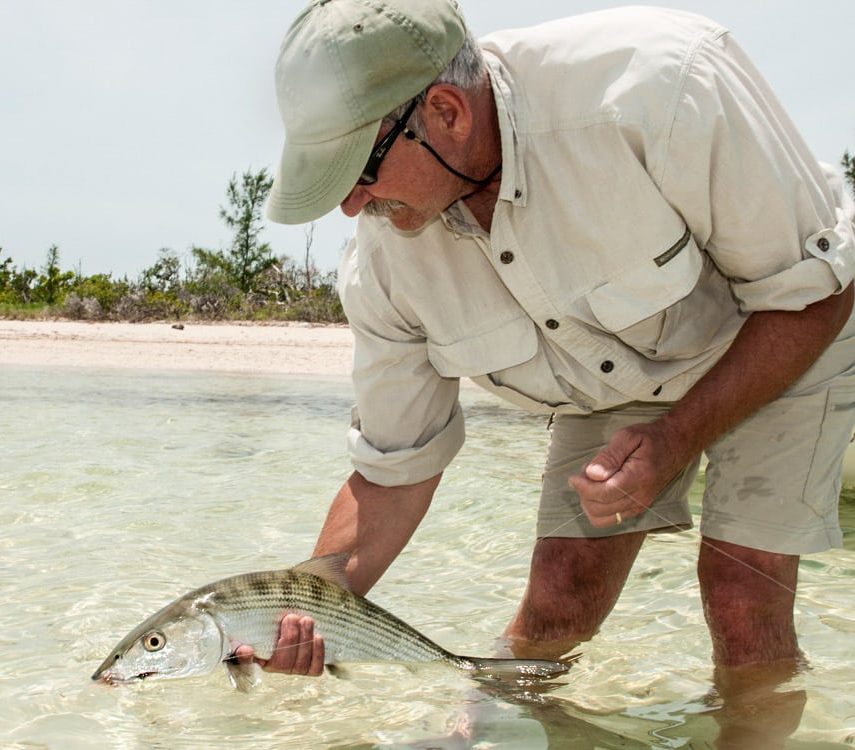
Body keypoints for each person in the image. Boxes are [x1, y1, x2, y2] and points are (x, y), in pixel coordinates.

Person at [246, 0, 855, 677]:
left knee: (743, 597)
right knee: (558, 601)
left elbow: (812, 294)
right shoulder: (385, 264)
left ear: (447, 113)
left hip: (780, 322)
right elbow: (396, 471)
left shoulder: (661, 83)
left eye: (357, 170)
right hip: (615, 378)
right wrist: (309, 608)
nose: (350, 206)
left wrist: (680, 436)